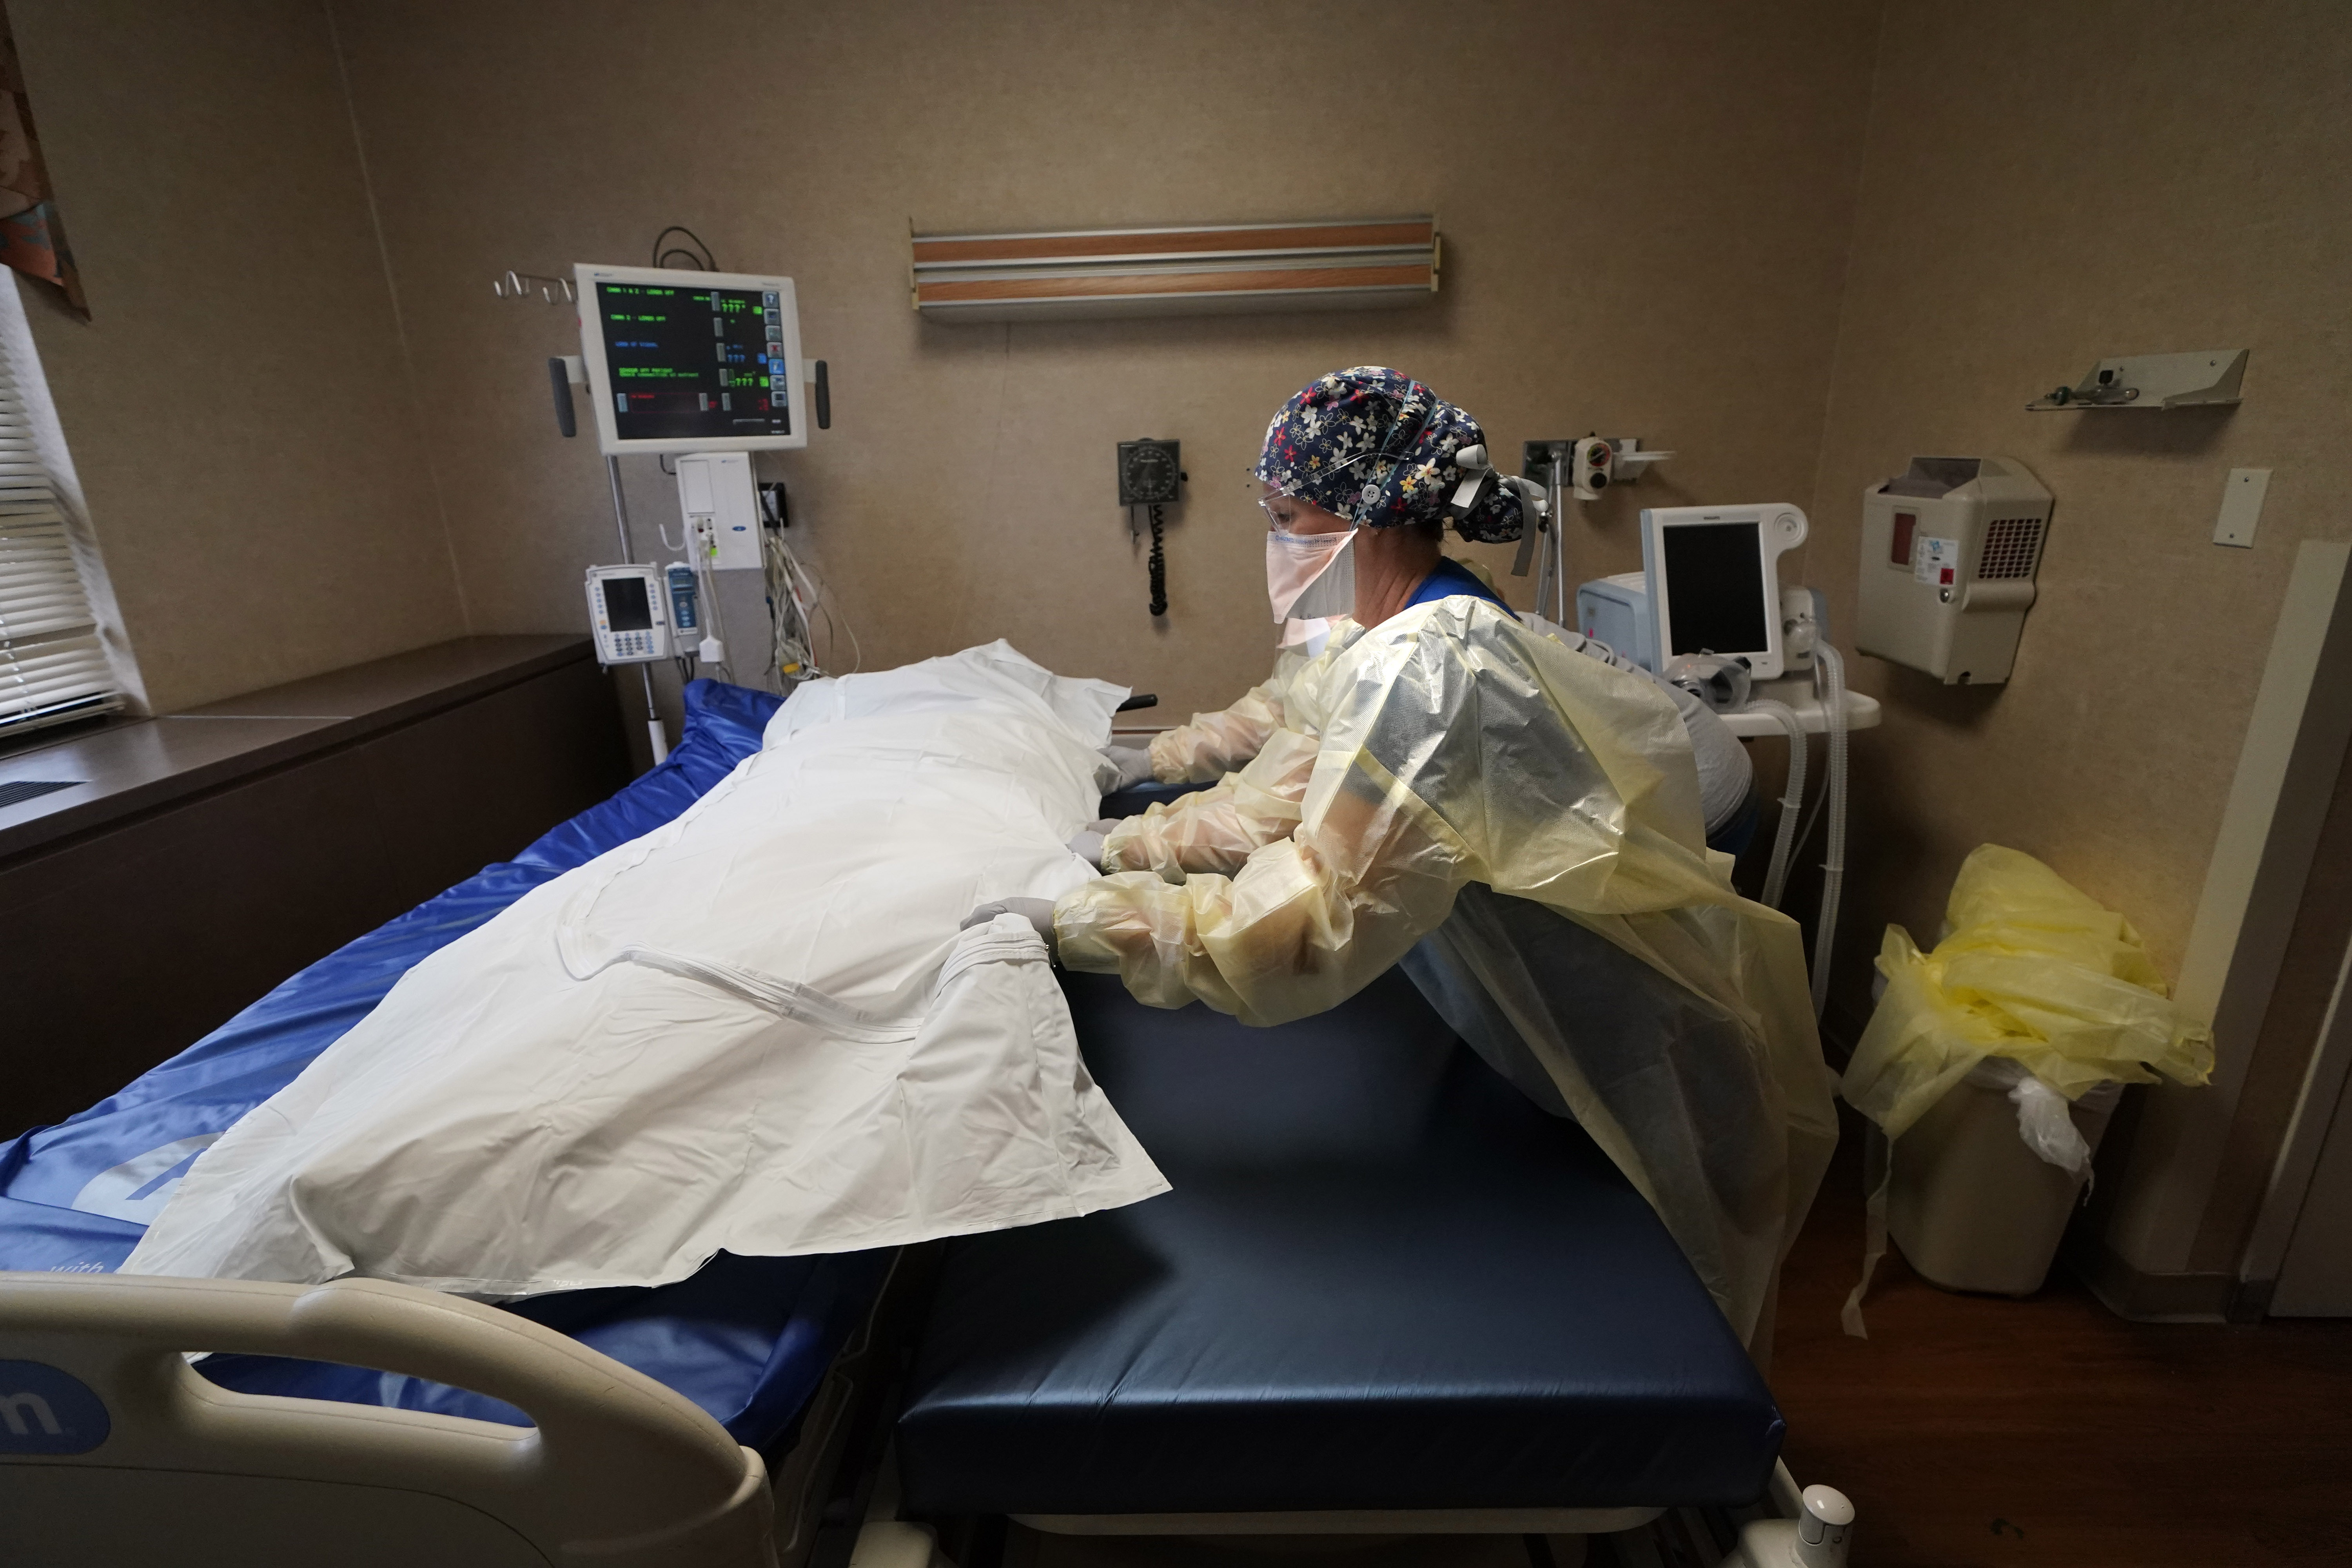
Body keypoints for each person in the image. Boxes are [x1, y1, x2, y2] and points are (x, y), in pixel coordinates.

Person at [983, 367, 1834, 1345]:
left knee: (1641, 1109)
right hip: (1604, 808)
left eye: (1291, 514)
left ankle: (1682, 1337)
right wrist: (1129, 814)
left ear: (1373, 516)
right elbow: (1285, 758)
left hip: (1680, 815)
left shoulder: (1427, 671)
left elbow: (1312, 924)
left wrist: (1081, 920)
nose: (1278, 540)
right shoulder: (1372, 615)